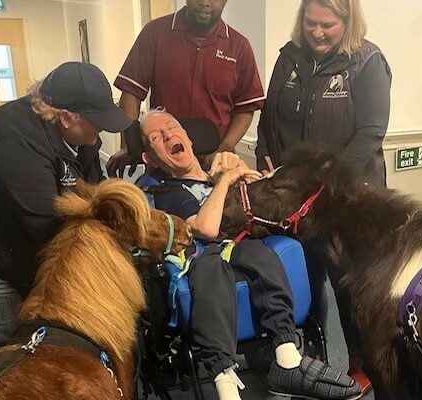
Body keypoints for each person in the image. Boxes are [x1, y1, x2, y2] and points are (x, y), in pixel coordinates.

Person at [140, 109, 361, 400]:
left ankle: (287, 358)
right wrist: (226, 180)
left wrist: (255, 182)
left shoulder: (217, 170)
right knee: (210, 270)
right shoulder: (169, 191)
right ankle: (225, 384)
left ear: (189, 139)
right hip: (201, 257)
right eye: (157, 137)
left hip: (241, 246)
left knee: (262, 254)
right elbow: (206, 229)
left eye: (172, 127)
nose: (169, 135)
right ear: (151, 159)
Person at [256, 0, 392, 393]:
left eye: (327, 25)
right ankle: (313, 354)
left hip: (347, 198)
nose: (317, 32)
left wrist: (323, 180)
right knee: (304, 278)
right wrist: (267, 152)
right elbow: (268, 119)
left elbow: (370, 133)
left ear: (348, 22)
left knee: (350, 287)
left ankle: (361, 363)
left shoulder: (367, 62)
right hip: (298, 201)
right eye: (311, 23)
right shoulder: (288, 58)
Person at [0, 62, 132, 350]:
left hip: (35, 245)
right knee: (8, 350)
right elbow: (49, 228)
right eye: (97, 121)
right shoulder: (14, 145)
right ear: (66, 118)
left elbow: (94, 191)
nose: (102, 129)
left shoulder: (83, 135)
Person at [108, 0, 265, 177]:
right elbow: (131, 91)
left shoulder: (239, 46)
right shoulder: (155, 33)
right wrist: (128, 145)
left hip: (214, 164)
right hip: (165, 163)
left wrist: (224, 149)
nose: (205, 2)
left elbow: (246, 108)